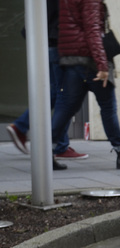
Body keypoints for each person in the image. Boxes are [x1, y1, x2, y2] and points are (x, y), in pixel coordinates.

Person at [51, 0, 120, 170]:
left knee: (66, 106)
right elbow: (93, 30)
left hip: (72, 58)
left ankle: (46, 152)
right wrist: (102, 65)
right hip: (90, 60)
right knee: (108, 107)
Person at [6, 0, 74, 165]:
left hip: (50, 44)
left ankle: (59, 144)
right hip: (56, 44)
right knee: (64, 94)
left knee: (56, 93)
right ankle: (57, 145)